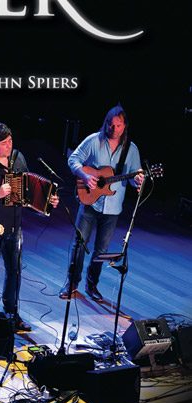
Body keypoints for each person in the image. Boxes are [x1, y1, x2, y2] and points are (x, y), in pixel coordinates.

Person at [0, 122, 57, 332]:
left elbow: (27, 193)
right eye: (4, 143)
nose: (9, 145)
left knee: (14, 271)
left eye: (10, 141)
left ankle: (11, 314)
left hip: (15, 227)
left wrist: (46, 202)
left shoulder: (18, 159)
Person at [60, 105, 143, 300]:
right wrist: (84, 175)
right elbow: (73, 159)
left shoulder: (131, 150)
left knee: (102, 250)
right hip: (89, 203)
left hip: (112, 208)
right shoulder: (93, 140)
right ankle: (72, 283)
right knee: (79, 244)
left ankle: (92, 285)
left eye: (118, 125)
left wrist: (138, 180)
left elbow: (133, 177)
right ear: (105, 123)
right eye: (110, 124)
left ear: (125, 126)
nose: (113, 129)